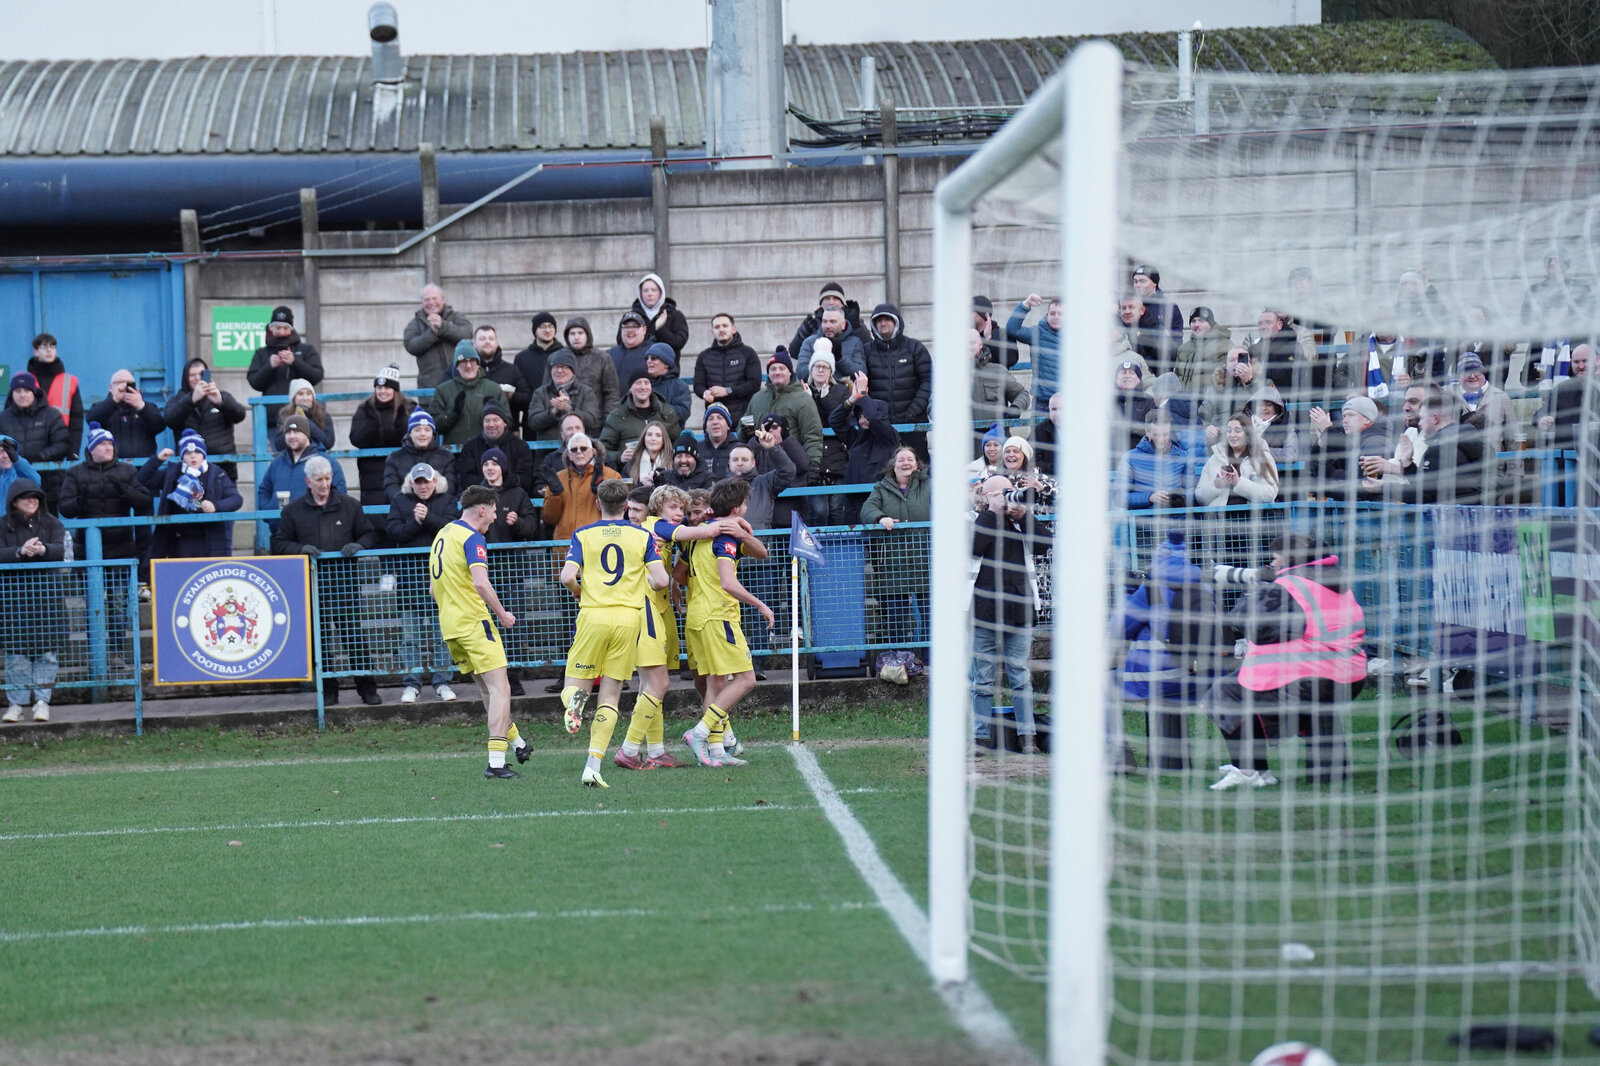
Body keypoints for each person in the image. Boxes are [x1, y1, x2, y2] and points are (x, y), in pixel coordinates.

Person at [613, 484, 760, 771]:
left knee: (657, 683)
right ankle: (630, 749)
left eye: (683, 509)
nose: (680, 514)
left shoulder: (669, 533)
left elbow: (678, 569)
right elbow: (700, 534)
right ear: (657, 508)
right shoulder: (659, 526)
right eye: (675, 507)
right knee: (661, 683)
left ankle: (657, 750)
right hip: (648, 608)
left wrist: (675, 585)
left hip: (664, 610)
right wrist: (730, 525)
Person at [1205, 534, 1366, 789]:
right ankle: (1323, 771)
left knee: (1224, 694)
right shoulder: (1334, 582)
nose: (1271, 564)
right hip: (1350, 674)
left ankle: (1250, 770)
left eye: (1274, 559)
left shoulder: (1290, 586)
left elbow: (1250, 626)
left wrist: (1255, 590)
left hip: (1313, 679)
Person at [555, 478, 671, 788]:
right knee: (610, 694)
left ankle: (574, 700)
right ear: (626, 506)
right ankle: (592, 767)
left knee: (573, 685)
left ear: (598, 504)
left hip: (594, 615)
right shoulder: (641, 535)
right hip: (628, 619)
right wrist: (644, 583)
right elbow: (661, 581)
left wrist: (578, 591)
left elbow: (566, 576)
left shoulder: (583, 534)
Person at [429, 483, 525, 778]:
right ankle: (496, 763)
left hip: (451, 626)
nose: (495, 517)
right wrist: (502, 614)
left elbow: (433, 589)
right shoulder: (473, 538)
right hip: (474, 623)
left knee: (487, 689)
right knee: (501, 688)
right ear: (482, 510)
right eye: (494, 511)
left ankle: (517, 743)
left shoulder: (444, 533)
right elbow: (481, 583)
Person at [680, 477, 776, 768]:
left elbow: (762, 552)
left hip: (697, 616)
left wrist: (743, 533)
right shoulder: (724, 537)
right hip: (718, 615)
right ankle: (699, 732)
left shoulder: (699, 532)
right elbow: (728, 582)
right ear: (738, 508)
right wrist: (760, 604)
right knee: (746, 679)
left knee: (716, 683)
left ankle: (717, 750)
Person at [269, 456, 380, 706]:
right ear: (308, 482)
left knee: (354, 637)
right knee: (319, 639)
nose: (324, 484)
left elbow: (369, 533)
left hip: (344, 584)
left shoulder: (350, 506)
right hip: (311, 585)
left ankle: (367, 689)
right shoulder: (292, 511)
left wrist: (359, 545)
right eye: (319, 480)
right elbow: (279, 542)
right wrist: (300, 549)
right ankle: (328, 690)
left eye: (328, 478)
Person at [1116, 530, 1217, 771]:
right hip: (1201, 674)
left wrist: (1128, 593)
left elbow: (1121, 628)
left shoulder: (1152, 589)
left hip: (1159, 676)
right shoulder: (1204, 584)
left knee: (1100, 686)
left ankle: (1119, 752)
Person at [970, 475, 1041, 754]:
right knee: (983, 681)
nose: (1007, 497)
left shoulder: (1020, 521)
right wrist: (992, 512)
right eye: (1000, 493)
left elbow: (1043, 544)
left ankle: (1028, 739)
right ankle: (980, 740)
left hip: (1018, 610)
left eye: (1009, 492)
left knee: (1020, 677)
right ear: (985, 496)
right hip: (984, 612)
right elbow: (973, 546)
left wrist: (1024, 516)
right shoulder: (971, 519)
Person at [387, 463, 460, 705]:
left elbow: (452, 530)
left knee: (443, 636)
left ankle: (443, 682)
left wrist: (427, 518)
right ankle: (412, 683)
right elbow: (393, 532)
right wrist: (415, 522)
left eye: (426, 481)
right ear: (411, 483)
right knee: (410, 638)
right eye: (418, 482)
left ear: (435, 481)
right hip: (409, 581)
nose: (423, 486)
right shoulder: (400, 502)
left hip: (443, 580)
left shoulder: (448, 501)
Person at [0, 479, 67, 723]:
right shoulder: (2, 525)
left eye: (36, 496)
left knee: (47, 654)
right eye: (26, 497)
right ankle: (16, 704)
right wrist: (19, 551)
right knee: (15, 655)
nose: (32, 500)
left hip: (47, 599)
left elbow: (62, 550)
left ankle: (42, 702)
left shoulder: (53, 523)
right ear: (14, 502)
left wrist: (43, 550)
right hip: (13, 601)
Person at [861, 445, 932, 649]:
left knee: (931, 619)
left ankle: (930, 659)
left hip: (925, 561)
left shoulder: (929, 484)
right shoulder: (881, 487)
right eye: (901, 460)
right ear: (893, 465)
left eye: (910, 459)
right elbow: (867, 509)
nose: (906, 463)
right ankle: (899, 660)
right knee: (896, 621)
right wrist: (880, 517)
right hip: (894, 563)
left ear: (917, 464)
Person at [60, 421, 154, 565]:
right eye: (103, 444)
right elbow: (64, 509)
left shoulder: (127, 470)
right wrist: (80, 502)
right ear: (91, 449)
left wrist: (125, 491)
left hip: (122, 547)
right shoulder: (75, 472)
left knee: (121, 580)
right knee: (88, 580)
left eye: (111, 444)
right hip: (86, 548)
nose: (109, 448)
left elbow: (145, 502)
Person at [142, 431, 243, 559]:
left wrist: (216, 506)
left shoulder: (217, 473)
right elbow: (143, 479)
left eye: (197, 453)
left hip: (211, 540)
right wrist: (157, 459)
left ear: (204, 455)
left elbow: (236, 499)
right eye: (188, 453)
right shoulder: (173, 473)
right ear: (182, 457)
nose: (193, 456)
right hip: (181, 540)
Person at [862, 303, 932, 457]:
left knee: (917, 466)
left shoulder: (914, 347)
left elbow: (928, 381)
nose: (883, 323)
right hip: (880, 427)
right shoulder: (866, 351)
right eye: (879, 320)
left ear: (897, 322)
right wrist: (875, 415)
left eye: (887, 319)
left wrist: (912, 412)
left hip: (913, 425)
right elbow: (861, 385)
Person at [165, 358, 248, 483]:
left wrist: (221, 403)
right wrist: (191, 400)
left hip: (223, 467)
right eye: (192, 375)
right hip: (190, 468)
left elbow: (240, 415)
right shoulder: (177, 400)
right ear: (186, 378)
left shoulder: (222, 396)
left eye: (201, 374)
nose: (197, 378)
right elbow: (170, 420)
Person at [348, 363, 416, 513]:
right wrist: (373, 421)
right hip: (372, 472)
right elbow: (356, 439)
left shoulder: (408, 408)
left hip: (403, 467)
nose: (382, 391)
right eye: (379, 388)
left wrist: (401, 419)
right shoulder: (365, 408)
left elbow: (412, 438)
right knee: (375, 514)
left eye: (387, 388)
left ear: (395, 390)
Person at [0, 371, 72, 506]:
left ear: (34, 392)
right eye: (18, 391)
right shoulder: (3, 418)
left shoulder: (51, 415)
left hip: (48, 483)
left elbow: (63, 444)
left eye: (27, 390)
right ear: (12, 394)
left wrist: (41, 456)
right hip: (13, 484)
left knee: (47, 518)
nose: (22, 394)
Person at [746, 349, 824, 471]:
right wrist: (745, 430)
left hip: (793, 468)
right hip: (761, 470)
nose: (777, 372)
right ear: (768, 373)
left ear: (790, 372)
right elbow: (745, 430)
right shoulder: (757, 398)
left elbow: (812, 436)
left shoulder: (803, 399)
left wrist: (813, 467)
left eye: (782, 368)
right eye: (773, 369)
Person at [540, 433, 622, 548]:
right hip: (567, 547)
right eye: (574, 449)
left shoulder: (611, 475)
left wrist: (602, 494)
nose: (579, 452)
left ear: (592, 452)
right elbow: (550, 518)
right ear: (569, 455)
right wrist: (554, 494)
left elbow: (618, 512)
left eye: (583, 448)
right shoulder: (557, 479)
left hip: (601, 545)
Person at [804, 342, 853, 526]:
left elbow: (839, 418)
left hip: (837, 456)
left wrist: (825, 398)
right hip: (814, 457)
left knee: (837, 511)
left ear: (831, 371)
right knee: (818, 511)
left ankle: (836, 546)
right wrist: (809, 400)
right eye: (817, 366)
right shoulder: (803, 391)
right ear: (811, 369)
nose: (820, 370)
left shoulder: (841, 391)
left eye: (825, 367)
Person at [256, 414, 344, 512]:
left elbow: (339, 493)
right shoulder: (277, 462)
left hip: (312, 521)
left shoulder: (326, 461)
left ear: (307, 434)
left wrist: (322, 516)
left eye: (296, 432)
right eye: (288, 432)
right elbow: (264, 490)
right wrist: (268, 509)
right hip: (280, 521)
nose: (292, 436)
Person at [1306, 395, 1387, 502]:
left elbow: (1363, 485)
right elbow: (1312, 474)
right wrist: (1322, 443)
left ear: (1367, 419)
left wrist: (1330, 434)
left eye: (1351, 415)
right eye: (1344, 416)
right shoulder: (1351, 440)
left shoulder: (1375, 442)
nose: (1345, 420)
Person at [430, 340, 507, 447]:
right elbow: (433, 425)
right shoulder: (442, 390)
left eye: (472, 361)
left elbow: (507, 421)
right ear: (456, 366)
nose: (469, 365)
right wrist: (452, 414)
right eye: (463, 361)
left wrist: (492, 416)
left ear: (478, 364)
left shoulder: (493, 389)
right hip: (454, 452)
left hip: (486, 451)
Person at [1194, 413, 1280, 507]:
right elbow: (1200, 498)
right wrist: (1216, 486)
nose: (1232, 435)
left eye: (1237, 431)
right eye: (1229, 431)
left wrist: (1238, 482)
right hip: (1219, 515)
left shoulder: (1262, 457)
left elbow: (1270, 494)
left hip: (1251, 515)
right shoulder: (1215, 458)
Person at [693, 313, 763, 425]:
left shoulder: (748, 353)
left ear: (733, 329)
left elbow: (754, 384)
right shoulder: (704, 356)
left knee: (747, 437)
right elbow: (698, 385)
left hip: (745, 417)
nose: (721, 329)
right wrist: (704, 393)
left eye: (725, 326)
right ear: (712, 332)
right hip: (715, 418)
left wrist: (728, 391)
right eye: (717, 327)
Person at [1117, 409, 1193, 510]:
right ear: (1147, 432)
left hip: (1176, 517)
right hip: (1145, 518)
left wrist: (1180, 499)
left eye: (1165, 434)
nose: (1161, 440)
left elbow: (1192, 492)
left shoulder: (1183, 456)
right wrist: (1150, 497)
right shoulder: (1130, 457)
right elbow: (1119, 497)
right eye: (1156, 434)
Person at [402, 284, 473, 389]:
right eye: (427, 299)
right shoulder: (415, 323)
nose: (431, 302)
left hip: (459, 381)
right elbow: (410, 345)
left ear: (443, 299)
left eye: (435, 298)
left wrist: (443, 327)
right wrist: (432, 334)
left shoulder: (456, 317)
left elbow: (467, 334)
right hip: (430, 386)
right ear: (422, 302)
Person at [456, 400, 535, 495]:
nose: (491, 424)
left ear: (505, 423)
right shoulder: (470, 447)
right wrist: (490, 484)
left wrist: (501, 482)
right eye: (487, 420)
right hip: (480, 497)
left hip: (512, 496)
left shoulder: (520, 446)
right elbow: (466, 479)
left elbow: (525, 480)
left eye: (495, 420)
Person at [599, 371, 681, 459]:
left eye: (646, 383)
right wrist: (620, 457)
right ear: (630, 388)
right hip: (630, 466)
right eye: (638, 383)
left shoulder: (666, 413)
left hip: (662, 466)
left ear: (651, 387)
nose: (643, 387)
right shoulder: (617, 416)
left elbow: (679, 444)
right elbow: (603, 451)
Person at [86, 369, 166, 460]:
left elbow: (159, 426)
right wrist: (114, 401)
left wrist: (141, 406)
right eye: (120, 383)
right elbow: (92, 420)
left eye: (129, 384)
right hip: (110, 465)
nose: (124, 387)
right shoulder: (101, 407)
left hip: (143, 465)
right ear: (111, 388)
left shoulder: (147, 407)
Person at [552, 316, 620, 421]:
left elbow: (612, 394)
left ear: (587, 335)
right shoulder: (556, 358)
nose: (576, 337)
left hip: (594, 420)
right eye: (572, 334)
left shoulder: (602, 358)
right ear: (567, 336)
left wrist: (609, 422)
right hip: (563, 421)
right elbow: (547, 390)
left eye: (580, 333)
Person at [246, 305, 324, 397]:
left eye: (285, 328)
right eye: (278, 328)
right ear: (271, 328)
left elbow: (316, 377)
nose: (282, 332)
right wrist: (270, 367)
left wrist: (294, 363)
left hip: (300, 405)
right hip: (272, 405)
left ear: (291, 329)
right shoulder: (261, 353)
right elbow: (254, 383)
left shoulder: (307, 350)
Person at [525, 349, 601, 442]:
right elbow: (533, 422)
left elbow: (591, 421)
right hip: (547, 447)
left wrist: (568, 408)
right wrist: (553, 411)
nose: (559, 371)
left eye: (564, 367)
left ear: (573, 370)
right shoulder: (540, 392)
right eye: (556, 367)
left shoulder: (586, 392)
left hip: (578, 446)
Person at [26, 333, 83, 454]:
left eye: (52, 346)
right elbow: (10, 417)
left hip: (60, 446)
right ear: (35, 351)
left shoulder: (69, 382)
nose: (49, 350)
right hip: (29, 448)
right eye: (44, 346)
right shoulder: (23, 381)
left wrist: (73, 451)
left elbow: (76, 421)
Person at [383, 409, 453, 508]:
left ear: (433, 434)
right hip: (406, 510)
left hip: (440, 510)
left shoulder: (446, 457)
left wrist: (432, 506)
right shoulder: (395, 458)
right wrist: (409, 504)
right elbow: (391, 487)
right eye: (417, 430)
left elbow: (451, 487)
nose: (422, 434)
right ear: (410, 433)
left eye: (427, 430)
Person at [969, 327, 1031, 431]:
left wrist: (1015, 408)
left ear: (980, 345)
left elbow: (1022, 394)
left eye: (971, 343)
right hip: (962, 439)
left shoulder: (998, 371)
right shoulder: (949, 377)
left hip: (997, 437)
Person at [788, 281, 870, 358]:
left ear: (842, 304)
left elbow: (868, 349)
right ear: (821, 304)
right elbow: (794, 353)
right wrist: (802, 335)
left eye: (836, 298)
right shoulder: (812, 324)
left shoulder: (854, 322)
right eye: (827, 298)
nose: (831, 302)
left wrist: (856, 326)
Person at [469, 324, 530, 421]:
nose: (487, 342)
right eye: (482, 339)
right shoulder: (466, 369)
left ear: (497, 343)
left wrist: (511, 396)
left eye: (491, 338)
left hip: (506, 427)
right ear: (474, 344)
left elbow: (528, 400)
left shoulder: (512, 370)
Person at [513, 311, 564, 426]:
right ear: (535, 330)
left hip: (560, 418)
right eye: (543, 326)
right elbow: (517, 393)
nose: (547, 330)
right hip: (531, 419)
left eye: (551, 326)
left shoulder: (565, 355)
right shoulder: (522, 358)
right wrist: (514, 426)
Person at [619, 272, 689, 355]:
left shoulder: (674, 315)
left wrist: (660, 329)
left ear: (661, 292)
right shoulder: (631, 317)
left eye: (654, 290)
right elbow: (620, 341)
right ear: (640, 293)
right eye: (645, 290)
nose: (649, 294)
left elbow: (679, 343)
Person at [1538, 342, 1593, 448]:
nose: (1581, 366)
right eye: (1576, 362)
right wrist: (1542, 419)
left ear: (1596, 361)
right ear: (1571, 363)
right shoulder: (1562, 389)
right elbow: (1539, 414)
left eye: (1585, 361)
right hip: (1565, 452)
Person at [795, 305, 867, 382]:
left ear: (843, 324)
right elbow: (800, 373)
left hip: (844, 389)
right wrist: (819, 358)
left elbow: (861, 373)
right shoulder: (810, 342)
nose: (827, 326)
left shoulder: (855, 342)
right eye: (825, 321)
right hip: (815, 389)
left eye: (833, 322)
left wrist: (840, 359)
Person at [1172, 306, 1232, 391]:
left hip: (1208, 398)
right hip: (1182, 397)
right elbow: (1176, 378)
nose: (1196, 325)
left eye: (1201, 321)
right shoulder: (1183, 349)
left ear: (1211, 324)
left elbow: (1225, 380)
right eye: (1193, 321)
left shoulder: (1224, 346)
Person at [270, 378, 335, 451]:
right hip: (292, 455)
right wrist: (293, 423)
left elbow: (328, 443)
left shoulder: (323, 415)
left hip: (316, 453)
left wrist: (306, 423)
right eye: (300, 394)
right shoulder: (285, 415)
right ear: (294, 398)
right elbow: (278, 445)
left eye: (308, 394)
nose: (305, 398)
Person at [620, 419, 673, 487]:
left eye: (658, 435)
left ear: (663, 440)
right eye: (649, 435)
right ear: (644, 438)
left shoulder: (673, 462)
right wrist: (642, 484)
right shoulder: (632, 464)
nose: (653, 439)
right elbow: (626, 489)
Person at [609, 309, 655, 388]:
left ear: (644, 330)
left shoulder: (654, 353)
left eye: (635, 327)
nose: (630, 330)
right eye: (626, 327)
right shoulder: (610, 354)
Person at [698, 402, 739, 479]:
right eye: (710, 419)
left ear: (728, 426)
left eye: (720, 418)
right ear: (705, 427)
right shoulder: (697, 449)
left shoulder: (739, 449)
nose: (715, 422)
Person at [0, 436, 41, 502]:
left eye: (10, 451)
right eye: (1, 451)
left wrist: (17, 460)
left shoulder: (20, 473)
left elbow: (35, 482)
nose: (6, 456)